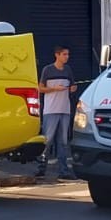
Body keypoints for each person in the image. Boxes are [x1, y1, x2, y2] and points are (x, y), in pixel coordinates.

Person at [36, 44, 77, 179]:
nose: (67, 57)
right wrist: (54, 89)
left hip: (65, 110)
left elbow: (72, 84)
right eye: (64, 54)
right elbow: (40, 88)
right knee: (47, 141)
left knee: (63, 142)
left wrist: (72, 88)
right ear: (57, 55)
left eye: (68, 54)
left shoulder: (68, 70)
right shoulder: (47, 70)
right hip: (51, 110)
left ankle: (64, 171)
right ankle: (41, 168)